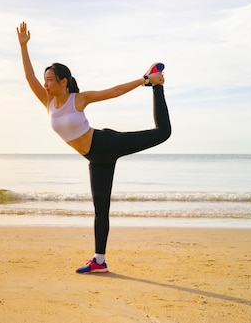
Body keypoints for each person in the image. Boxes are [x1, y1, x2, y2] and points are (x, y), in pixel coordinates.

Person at [16, 21, 171, 273]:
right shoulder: (48, 102)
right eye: (45, 81)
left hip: (106, 143)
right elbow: (28, 77)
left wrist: (145, 80)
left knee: (162, 133)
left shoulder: (79, 99)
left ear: (63, 81)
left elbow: (114, 91)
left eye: (50, 80)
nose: (45, 84)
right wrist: (24, 46)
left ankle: (158, 85)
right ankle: (99, 260)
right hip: (95, 158)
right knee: (101, 209)